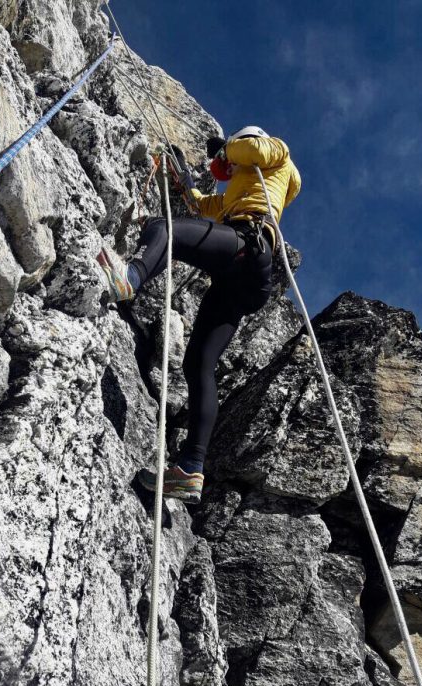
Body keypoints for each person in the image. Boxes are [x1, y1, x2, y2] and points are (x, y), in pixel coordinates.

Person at [98, 126, 301, 504]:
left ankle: (132, 277)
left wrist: (226, 148)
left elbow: (251, 150)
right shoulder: (239, 193)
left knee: (164, 228)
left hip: (248, 242)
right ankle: (190, 469)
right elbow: (201, 208)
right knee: (198, 366)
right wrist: (185, 178)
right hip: (246, 278)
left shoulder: (276, 152)